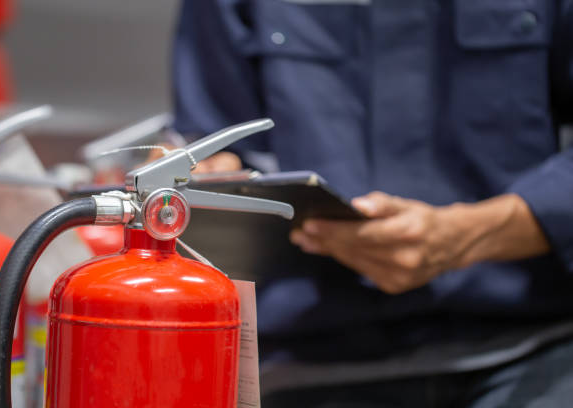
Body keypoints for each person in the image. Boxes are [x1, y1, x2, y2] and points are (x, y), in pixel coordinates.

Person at [172, 1, 573, 406]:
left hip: (529, 343)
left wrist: (475, 234)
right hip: (306, 357)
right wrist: (200, 173)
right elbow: (214, 137)